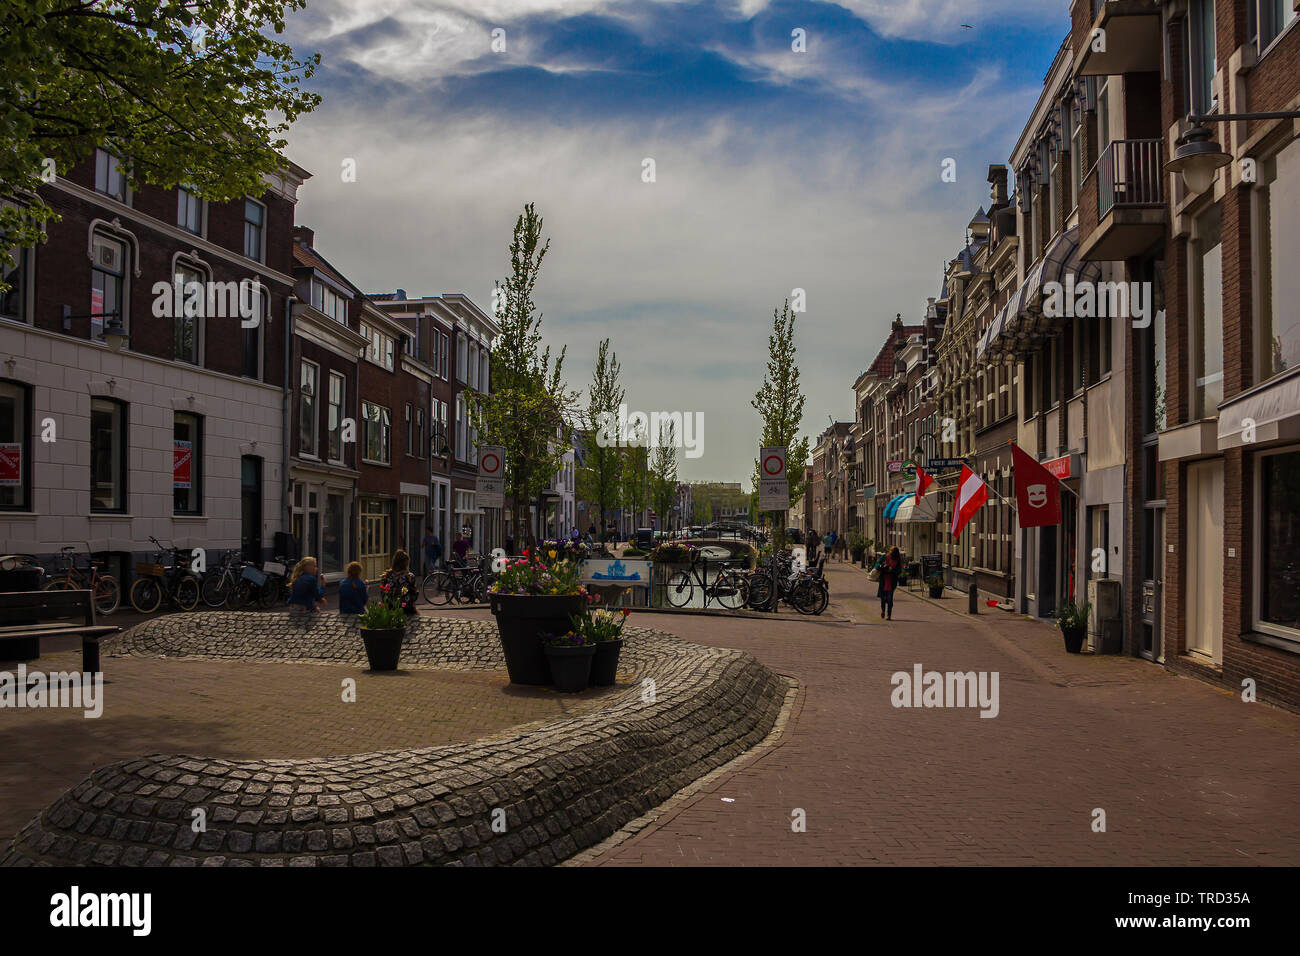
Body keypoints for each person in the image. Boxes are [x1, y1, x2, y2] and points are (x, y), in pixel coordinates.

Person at [381, 549, 418, 616]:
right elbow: (414, 595)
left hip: (390, 608)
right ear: (406, 564)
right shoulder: (409, 577)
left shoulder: (386, 576)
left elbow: (383, 594)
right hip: (406, 609)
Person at [873, 546, 903, 620]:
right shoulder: (885, 556)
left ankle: (889, 615)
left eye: (893, 555)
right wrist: (880, 566)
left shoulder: (898, 560)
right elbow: (877, 564)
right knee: (883, 598)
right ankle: (883, 610)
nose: (891, 556)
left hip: (892, 581)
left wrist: (892, 570)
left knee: (890, 598)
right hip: (883, 580)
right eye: (891, 553)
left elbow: (899, 571)